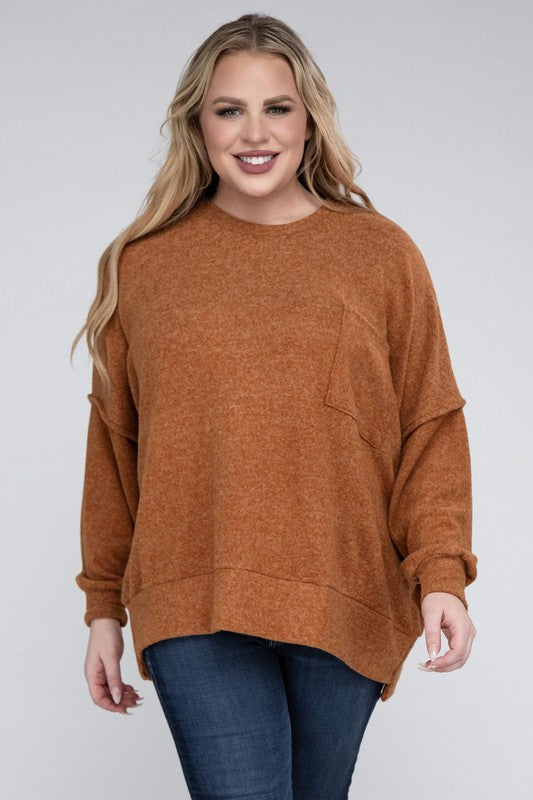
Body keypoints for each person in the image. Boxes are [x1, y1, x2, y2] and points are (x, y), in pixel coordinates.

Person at [72, 12, 478, 799]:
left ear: (307, 120)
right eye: (229, 109)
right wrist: (102, 611)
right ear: (198, 123)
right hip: (192, 593)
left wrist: (440, 576)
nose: (253, 132)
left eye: (276, 108)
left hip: (341, 591)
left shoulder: (379, 255)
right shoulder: (145, 266)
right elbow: (115, 446)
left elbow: (428, 425)